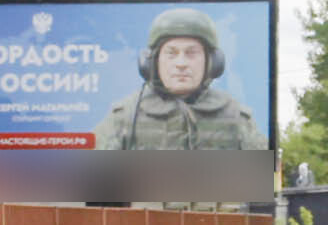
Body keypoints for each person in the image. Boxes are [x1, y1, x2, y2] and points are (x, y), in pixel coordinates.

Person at [92, 8, 267, 150]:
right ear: (151, 62)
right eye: (171, 53)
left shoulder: (236, 118)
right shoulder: (125, 118)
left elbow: (266, 184)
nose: (181, 63)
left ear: (212, 62)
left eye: (191, 53)